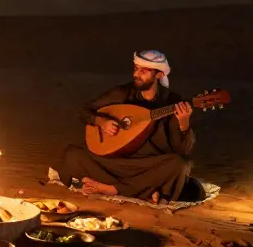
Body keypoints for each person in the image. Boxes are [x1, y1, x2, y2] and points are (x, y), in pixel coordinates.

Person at [58, 50, 195, 204]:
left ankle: (111, 189)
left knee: (179, 165)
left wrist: (184, 123)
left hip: (148, 165)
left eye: (144, 70)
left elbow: (181, 150)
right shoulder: (122, 93)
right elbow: (84, 111)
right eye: (136, 68)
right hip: (116, 161)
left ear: (160, 75)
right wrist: (102, 122)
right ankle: (145, 191)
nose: (137, 74)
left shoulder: (171, 101)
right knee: (73, 154)